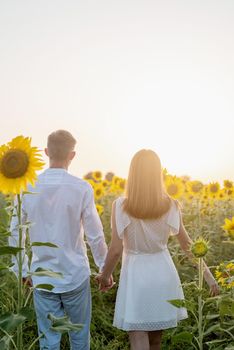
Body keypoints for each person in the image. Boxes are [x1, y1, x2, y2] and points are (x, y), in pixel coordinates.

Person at [96, 149, 219, 350]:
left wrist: (104, 276)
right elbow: (188, 246)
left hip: (136, 273)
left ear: (132, 174)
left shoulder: (120, 205)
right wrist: (209, 277)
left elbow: (116, 250)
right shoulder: (171, 204)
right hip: (163, 272)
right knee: (155, 340)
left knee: (137, 335)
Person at [10, 130, 108, 350]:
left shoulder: (27, 186)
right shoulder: (82, 188)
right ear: (72, 155)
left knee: (48, 342)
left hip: (42, 277)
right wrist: (103, 269)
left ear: (46, 152)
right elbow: (95, 234)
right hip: (75, 275)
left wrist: (23, 270)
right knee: (80, 338)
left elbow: (16, 231)